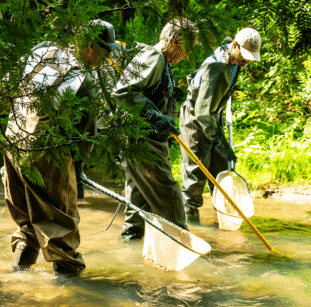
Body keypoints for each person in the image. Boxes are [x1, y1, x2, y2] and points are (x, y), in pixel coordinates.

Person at [3, 19, 121, 275]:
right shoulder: (84, 79)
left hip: (13, 141)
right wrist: (76, 173)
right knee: (62, 228)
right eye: (105, 50)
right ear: (89, 45)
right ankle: (70, 293)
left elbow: (7, 89)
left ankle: (18, 280)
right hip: (45, 151)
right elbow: (85, 136)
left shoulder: (41, 51)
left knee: (27, 222)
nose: (106, 56)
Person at [112, 18, 198, 240]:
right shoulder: (154, 57)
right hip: (143, 141)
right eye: (187, 48)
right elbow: (123, 93)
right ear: (175, 41)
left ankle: (130, 245)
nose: (187, 55)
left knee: (138, 201)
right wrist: (155, 117)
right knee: (169, 196)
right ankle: (182, 246)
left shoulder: (162, 61)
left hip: (147, 140)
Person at [179, 28, 261, 222]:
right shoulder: (216, 68)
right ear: (234, 46)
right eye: (244, 55)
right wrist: (222, 142)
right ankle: (190, 223)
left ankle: (223, 219)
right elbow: (202, 113)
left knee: (221, 169)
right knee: (196, 174)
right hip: (196, 120)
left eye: (251, 57)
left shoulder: (232, 54)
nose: (247, 61)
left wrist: (221, 145)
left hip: (211, 117)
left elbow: (211, 110)